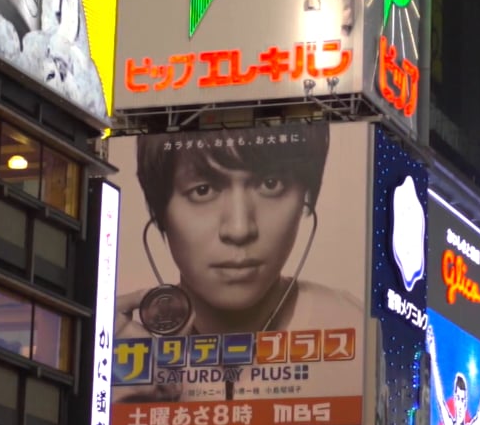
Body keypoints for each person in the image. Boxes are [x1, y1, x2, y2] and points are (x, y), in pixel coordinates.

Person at [114, 126, 361, 401]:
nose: (240, 229)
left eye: (271, 184)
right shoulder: (118, 345)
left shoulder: (356, 330)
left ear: (305, 196)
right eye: (203, 190)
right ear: (161, 212)